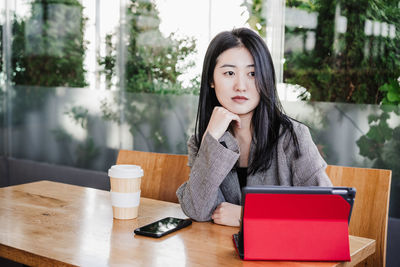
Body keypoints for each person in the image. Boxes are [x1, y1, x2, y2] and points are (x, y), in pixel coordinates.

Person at [176, 27, 332, 227]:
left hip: (278, 256)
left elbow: (325, 211)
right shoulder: (203, 140)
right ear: (211, 80)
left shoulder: (293, 136)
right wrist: (211, 139)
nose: (241, 86)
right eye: (229, 73)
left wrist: (246, 215)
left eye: (252, 73)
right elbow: (197, 210)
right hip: (219, 255)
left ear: (265, 78)